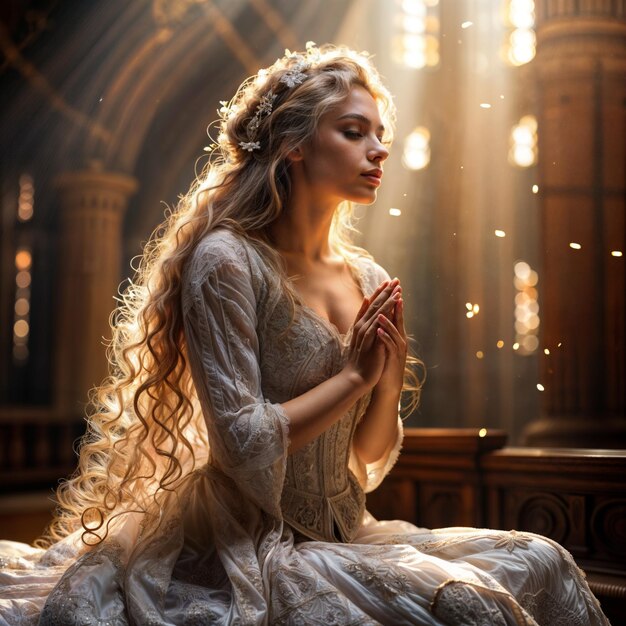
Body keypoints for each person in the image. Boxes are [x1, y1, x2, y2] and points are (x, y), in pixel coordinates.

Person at [0, 43, 609, 626]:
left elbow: (367, 459)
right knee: (470, 610)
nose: (378, 151)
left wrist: (386, 380)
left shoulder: (369, 277)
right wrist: (353, 377)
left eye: (381, 136)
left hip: (353, 530)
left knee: (542, 559)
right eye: (353, 132)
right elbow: (241, 444)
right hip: (251, 539)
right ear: (293, 144)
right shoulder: (227, 261)